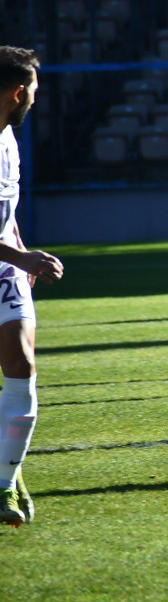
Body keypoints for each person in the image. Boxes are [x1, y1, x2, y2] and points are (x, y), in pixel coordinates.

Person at [0, 47, 63, 528]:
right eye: (35, 91)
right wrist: (20, 258)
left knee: (21, 363)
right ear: (18, 91)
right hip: (10, 260)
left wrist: (24, 264)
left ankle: (5, 482)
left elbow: (8, 216)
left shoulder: (9, 140)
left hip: (5, 266)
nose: (37, 101)